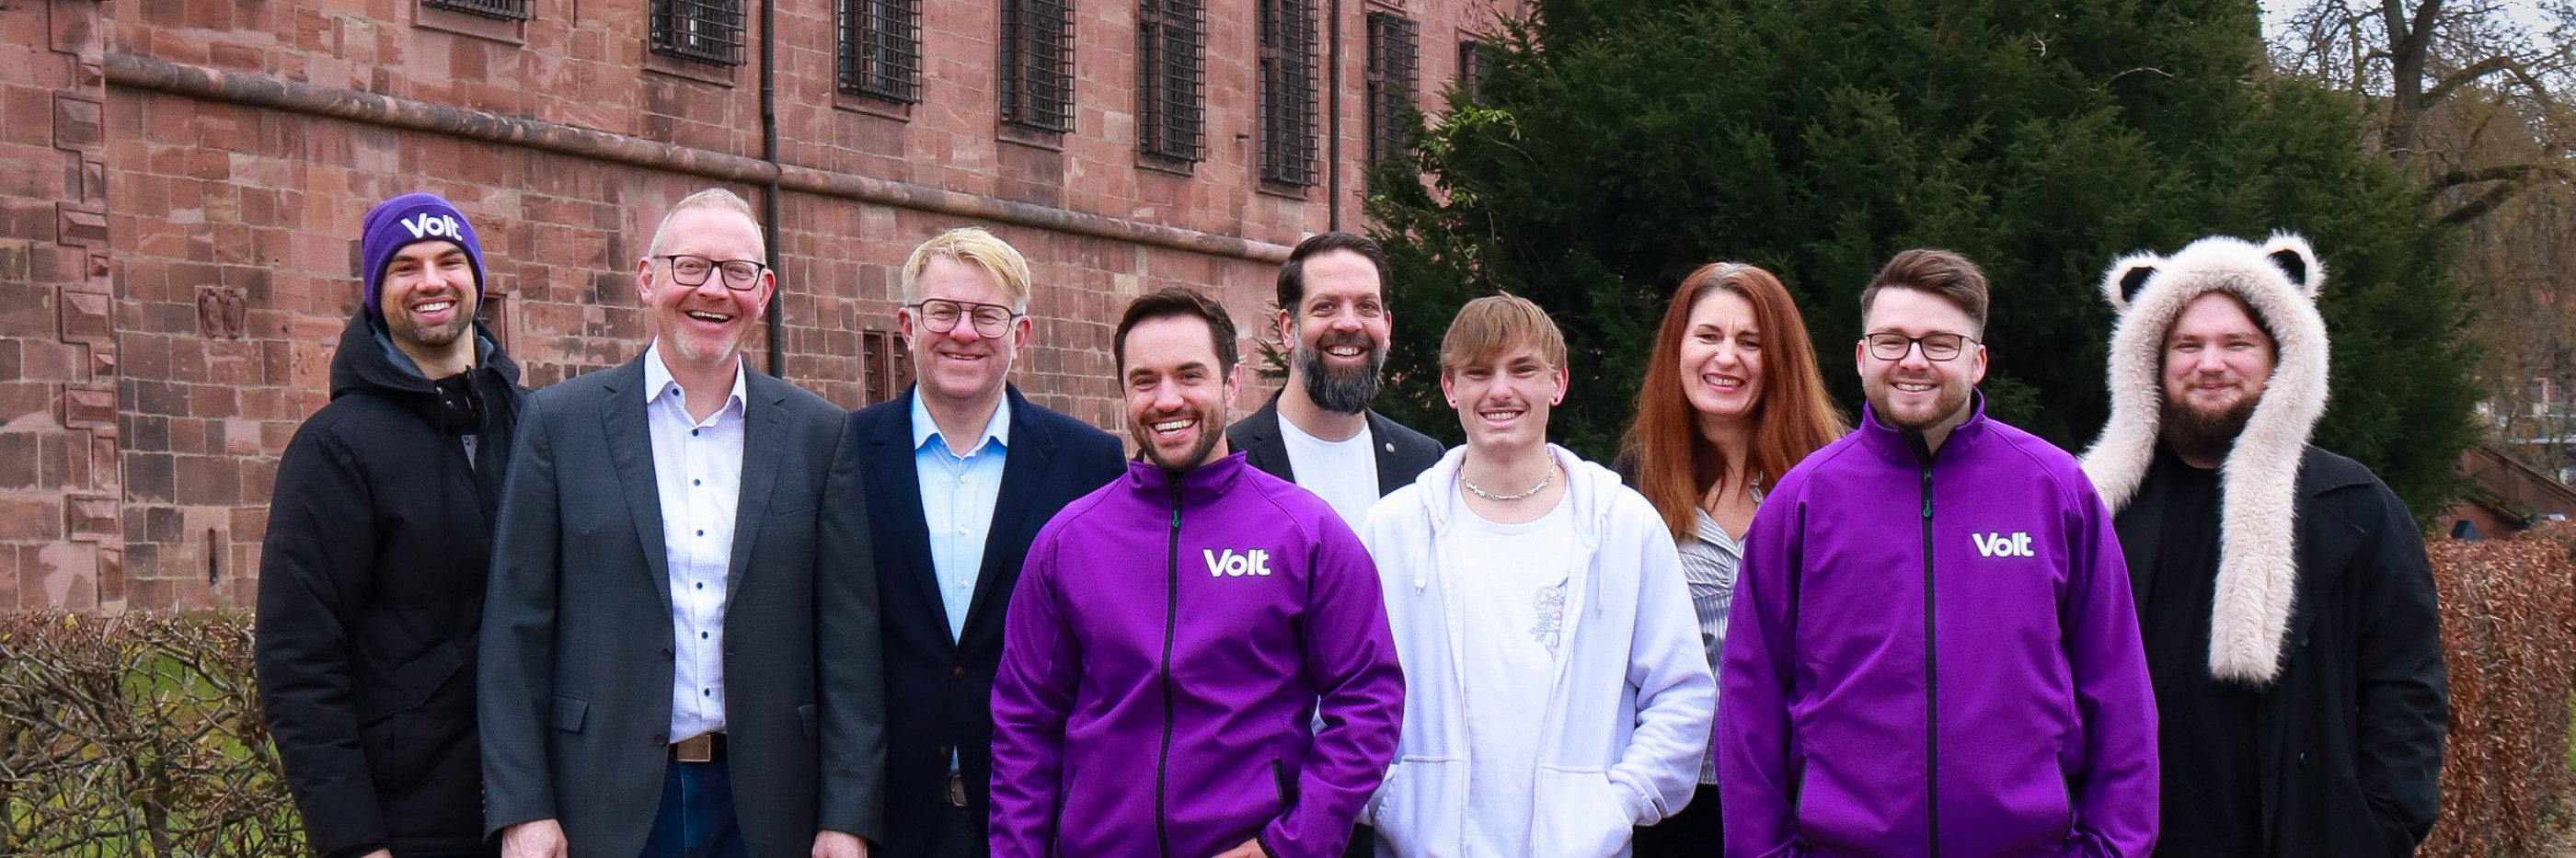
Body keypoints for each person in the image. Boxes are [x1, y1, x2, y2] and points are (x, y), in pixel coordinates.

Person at [478, 189, 882, 858]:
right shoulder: (558, 423)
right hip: (602, 800)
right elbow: (515, 630)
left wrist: (847, 817)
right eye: (690, 266)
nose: (713, 290)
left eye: (737, 272)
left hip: (768, 804)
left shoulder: (819, 435)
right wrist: (523, 805)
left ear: (766, 289)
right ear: (648, 279)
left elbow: (849, 645)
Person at [1719, 249, 2159, 857]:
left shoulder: (2054, 491)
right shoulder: (1802, 501)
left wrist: (2112, 848)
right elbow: (1750, 702)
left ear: (1977, 361)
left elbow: (2118, 687)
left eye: (1939, 343)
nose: (1914, 361)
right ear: (1861, 356)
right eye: (1892, 340)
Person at [990, 287, 1405, 858]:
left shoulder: (1303, 531)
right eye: (1145, 380)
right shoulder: (1069, 541)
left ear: (1230, 385)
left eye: (1190, 375)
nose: (1167, 400)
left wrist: (1287, 846)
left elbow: (1368, 700)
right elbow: (1024, 724)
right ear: (1125, 392)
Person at [2081, 234, 2445, 857]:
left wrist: (2381, 827)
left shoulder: (2356, 508)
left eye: (2238, 344)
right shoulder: (2091, 507)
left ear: (2282, 357)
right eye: (2187, 345)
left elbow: (2406, 685)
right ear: (2150, 358)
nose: (2211, 363)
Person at [1358, 294, 1714, 858]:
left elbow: (1683, 694)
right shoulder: (1391, 531)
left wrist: (1616, 804)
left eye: (1523, 369)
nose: (1501, 391)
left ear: (1559, 383)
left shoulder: (1624, 526)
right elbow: (1343, 695)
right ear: (1451, 388)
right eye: (1479, 372)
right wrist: (1394, 801)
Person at [258, 192, 525, 858]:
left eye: (449, 260)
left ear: (476, 279)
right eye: (404, 267)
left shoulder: (534, 426)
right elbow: (299, 660)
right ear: (377, 292)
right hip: (410, 820)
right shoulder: (335, 448)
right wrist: (352, 841)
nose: (431, 281)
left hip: (540, 811)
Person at [849, 227, 1123, 858]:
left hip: (1038, 812)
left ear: (1020, 334)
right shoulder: (845, 453)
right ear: (907, 325)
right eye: (942, 310)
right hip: (887, 816)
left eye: (987, 314)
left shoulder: (1089, 464)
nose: (963, 331)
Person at [1614, 263, 1846, 856]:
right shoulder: (1633, 486)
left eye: (1751, 342)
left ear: (1781, 360)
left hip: (1802, 790)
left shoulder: (1831, 481)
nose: (1727, 357)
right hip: (1672, 797)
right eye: (1708, 336)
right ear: (1678, 349)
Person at [1227, 232, 1445, 532]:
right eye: (1325, 306)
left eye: (1367, 306)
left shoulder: (1424, 463)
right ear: (1289, 328)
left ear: (1387, 326)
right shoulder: (1232, 461)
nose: (1349, 323)